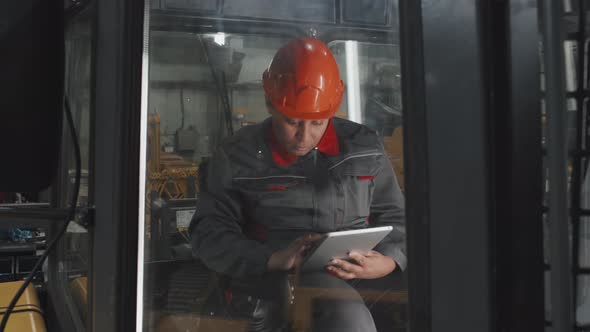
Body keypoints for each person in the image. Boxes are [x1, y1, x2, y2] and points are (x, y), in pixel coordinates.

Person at [190, 37, 406, 332]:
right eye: (292, 122)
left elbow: (398, 219)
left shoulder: (364, 147)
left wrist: (390, 261)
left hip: (364, 274)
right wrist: (273, 259)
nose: (304, 137)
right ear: (270, 103)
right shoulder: (237, 156)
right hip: (276, 280)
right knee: (345, 317)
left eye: (318, 123)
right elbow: (209, 236)